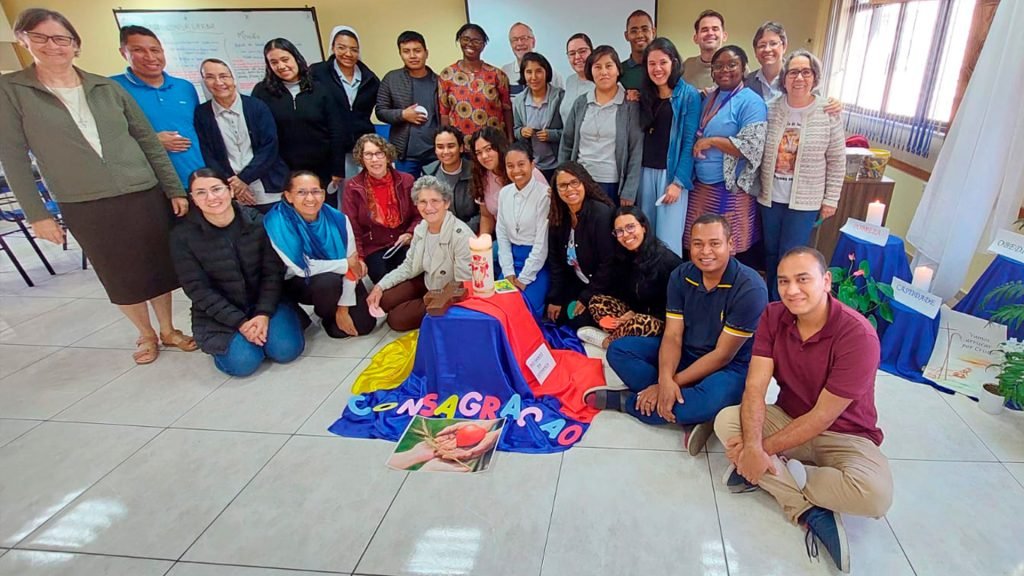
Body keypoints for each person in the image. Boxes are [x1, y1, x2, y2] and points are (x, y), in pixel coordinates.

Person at [0, 8, 196, 365]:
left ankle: (168, 328)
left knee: (156, 266)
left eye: (61, 38)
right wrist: (37, 214)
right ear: (24, 41)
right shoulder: (12, 90)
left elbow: (148, 141)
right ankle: (146, 333)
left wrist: (173, 189)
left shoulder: (106, 87)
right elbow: (13, 157)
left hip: (141, 190)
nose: (53, 46)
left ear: (75, 45)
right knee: (117, 272)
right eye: (41, 37)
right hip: (84, 200)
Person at [714, 247, 892, 573]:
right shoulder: (773, 316)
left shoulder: (858, 335)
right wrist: (753, 446)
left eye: (802, 279)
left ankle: (769, 472)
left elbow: (823, 416)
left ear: (826, 281)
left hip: (846, 434)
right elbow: (755, 387)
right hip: (788, 418)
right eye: (783, 281)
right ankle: (807, 509)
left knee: (875, 495)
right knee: (726, 420)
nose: (792, 290)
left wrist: (757, 451)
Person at [587, 214, 768, 457]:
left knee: (710, 399)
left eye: (714, 243)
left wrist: (666, 385)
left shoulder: (750, 288)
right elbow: (672, 336)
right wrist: (665, 380)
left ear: (730, 244)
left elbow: (722, 355)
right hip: (687, 352)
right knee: (619, 350)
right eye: (697, 244)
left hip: (728, 368)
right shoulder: (681, 275)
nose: (705, 251)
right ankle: (689, 411)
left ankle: (629, 402)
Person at [171, 168, 304, 377]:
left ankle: (267, 329)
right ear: (193, 199)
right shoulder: (182, 237)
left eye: (216, 189)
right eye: (201, 193)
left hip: (264, 303)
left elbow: (272, 273)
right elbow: (197, 290)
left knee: (286, 351)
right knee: (243, 364)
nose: (211, 197)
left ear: (230, 190)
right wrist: (240, 323)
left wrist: (262, 314)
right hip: (220, 314)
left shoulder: (257, 222)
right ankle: (239, 343)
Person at [760, 50, 845, 301]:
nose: (799, 78)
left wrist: (831, 199)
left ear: (815, 78)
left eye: (806, 72)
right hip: (770, 197)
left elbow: (837, 159)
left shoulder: (827, 112)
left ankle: (784, 305)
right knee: (770, 253)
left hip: (805, 202)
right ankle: (771, 303)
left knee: (792, 255)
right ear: (784, 78)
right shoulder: (770, 108)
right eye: (793, 72)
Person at [265, 170, 375, 339]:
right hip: (300, 281)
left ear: (323, 194)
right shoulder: (277, 222)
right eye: (301, 192)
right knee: (327, 282)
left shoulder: (338, 219)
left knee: (365, 325)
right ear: (288, 196)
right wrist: (345, 264)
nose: (310, 198)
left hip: (340, 273)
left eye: (315, 191)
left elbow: (353, 264)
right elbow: (303, 267)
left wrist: (343, 308)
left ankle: (336, 312)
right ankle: (327, 314)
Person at [686, 45, 767, 262]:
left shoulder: (751, 102)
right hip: (701, 187)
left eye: (732, 65)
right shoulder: (710, 97)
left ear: (744, 68)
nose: (725, 70)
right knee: (700, 250)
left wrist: (712, 141)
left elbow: (752, 147)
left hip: (730, 189)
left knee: (726, 251)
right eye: (718, 66)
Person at [367, 175, 474, 331]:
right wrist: (380, 286)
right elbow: (409, 266)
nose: (429, 207)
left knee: (396, 320)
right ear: (416, 204)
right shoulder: (421, 228)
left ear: (446, 203)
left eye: (435, 201)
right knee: (384, 299)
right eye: (423, 201)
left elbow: (463, 284)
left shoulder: (461, 236)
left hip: (447, 292)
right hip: (427, 280)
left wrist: (437, 303)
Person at [251, 38, 346, 208]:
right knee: (293, 214)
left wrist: (337, 169)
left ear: (296, 58)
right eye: (274, 62)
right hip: (283, 171)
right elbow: (259, 134)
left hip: (321, 169)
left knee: (323, 213)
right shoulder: (262, 92)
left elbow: (336, 130)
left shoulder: (320, 89)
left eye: (285, 59)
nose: (281, 66)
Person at [112, 25, 203, 186]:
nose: (150, 57)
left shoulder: (184, 87)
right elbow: (109, 139)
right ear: (123, 52)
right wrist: (152, 141)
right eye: (138, 50)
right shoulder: (112, 88)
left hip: (196, 180)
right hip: (149, 184)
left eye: (155, 50)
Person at [194, 58, 289, 213]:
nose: (218, 82)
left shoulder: (257, 106)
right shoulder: (202, 113)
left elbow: (269, 147)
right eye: (210, 77)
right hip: (231, 189)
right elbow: (208, 154)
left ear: (234, 78)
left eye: (224, 76)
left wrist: (243, 179)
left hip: (267, 186)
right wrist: (233, 184)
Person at [581, 206, 682, 348]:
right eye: (619, 231)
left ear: (643, 227)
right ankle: (620, 335)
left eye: (630, 227)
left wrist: (637, 315)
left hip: (659, 320)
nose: (626, 235)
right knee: (597, 302)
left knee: (642, 323)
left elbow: (675, 306)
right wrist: (628, 314)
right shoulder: (623, 256)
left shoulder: (667, 261)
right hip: (633, 314)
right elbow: (624, 294)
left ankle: (607, 343)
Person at [559, 45, 643, 207]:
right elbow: (566, 143)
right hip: (579, 182)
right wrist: (562, 177)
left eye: (609, 66)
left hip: (612, 184)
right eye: (597, 67)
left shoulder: (630, 105)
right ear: (591, 72)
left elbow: (636, 150)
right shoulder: (581, 103)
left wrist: (629, 190)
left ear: (618, 70)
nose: (603, 72)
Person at [639, 37, 701, 256]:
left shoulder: (689, 95)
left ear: (674, 62)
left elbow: (689, 142)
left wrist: (678, 182)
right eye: (652, 63)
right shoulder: (645, 95)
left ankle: (670, 279)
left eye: (663, 62)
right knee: (644, 237)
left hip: (671, 175)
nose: (657, 69)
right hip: (644, 173)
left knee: (668, 241)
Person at [342, 134, 420, 283]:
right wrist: (359, 258)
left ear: (387, 155)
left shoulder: (407, 180)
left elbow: (419, 215)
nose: (374, 159)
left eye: (379, 153)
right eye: (368, 154)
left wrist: (410, 233)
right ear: (361, 158)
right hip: (373, 248)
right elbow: (352, 228)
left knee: (412, 279)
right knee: (385, 281)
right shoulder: (352, 187)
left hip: (403, 243)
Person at [545, 162, 615, 329]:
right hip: (577, 283)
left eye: (574, 182)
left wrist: (585, 298)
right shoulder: (558, 215)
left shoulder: (601, 214)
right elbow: (555, 261)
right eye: (563, 185)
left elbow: (609, 263)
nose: (569, 189)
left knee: (580, 321)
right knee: (557, 315)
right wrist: (556, 297)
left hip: (604, 287)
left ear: (584, 183)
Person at [309, 26, 380, 178]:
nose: (348, 54)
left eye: (354, 49)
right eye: (342, 48)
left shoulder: (370, 79)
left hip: (361, 148)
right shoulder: (317, 73)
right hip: (329, 149)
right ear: (333, 47)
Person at [496, 141, 551, 317]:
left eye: (521, 164)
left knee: (524, 310)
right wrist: (508, 271)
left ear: (532, 164)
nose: (516, 171)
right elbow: (502, 234)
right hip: (511, 260)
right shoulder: (504, 193)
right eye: (510, 166)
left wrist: (524, 278)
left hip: (536, 264)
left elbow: (541, 244)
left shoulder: (544, 195)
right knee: (499, 307)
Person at [376, 30, 440, 177]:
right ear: (400, 54)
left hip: (435, 153)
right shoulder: (391, 79)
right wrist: (403, 114)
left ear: (426, 53)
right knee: (405, 190)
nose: (412, 56)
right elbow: (380, 111)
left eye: (417, 51)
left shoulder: (439, 81)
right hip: (405, 155)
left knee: (437, 190)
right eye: (406, 51)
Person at [439, 23, 513, 141]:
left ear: (483, 45)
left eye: (476, 41)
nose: (470, 44)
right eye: (465, 39)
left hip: (494, 144)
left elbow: (507, 109)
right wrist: (447, 142)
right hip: (461, 144)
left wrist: (510, 139)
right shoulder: (447, 75)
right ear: (459, 41)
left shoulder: (497, 75)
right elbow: (444, 113)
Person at [512, 52, 564, 181]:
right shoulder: (519, 101)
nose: (534, 77)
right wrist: (522, 132)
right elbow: (516, 130)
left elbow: (569, 132)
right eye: (529, 72)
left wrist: (552, 135)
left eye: (539, 71)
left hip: (558, 165)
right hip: (533, 167)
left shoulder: (560, 97)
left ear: (547, 72)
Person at [422, 126, 479, 233]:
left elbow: (483, 213)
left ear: (461, 148)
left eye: (451, 146)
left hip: (471, 232)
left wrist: (459, 233)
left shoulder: (475, 172)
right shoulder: (428, 174)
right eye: (440, 147)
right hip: (440, 232)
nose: (446, 151)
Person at [501, 22, 564, 97]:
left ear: (533, 42)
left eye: (524, 38)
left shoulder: (552, 75)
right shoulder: (505, 73)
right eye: (515, 40)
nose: (520, 43)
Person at [683, 10, 728, 91]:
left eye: (715, 29)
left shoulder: (737, 65)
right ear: (696, 38)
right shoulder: (686, 66)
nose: (710, 33)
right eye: (704, 30)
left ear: (724, 36)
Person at [745, 21, 787, 101]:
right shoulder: (747, 82)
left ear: (784, 47)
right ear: (755, 52)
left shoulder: (795, 79)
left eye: (773, 44)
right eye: (762, 45)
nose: (767, 49)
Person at [561, 33, 595, 122]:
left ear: (592, 52)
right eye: (572, 53)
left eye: (582, 51)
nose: (577, 57)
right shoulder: (570, 81)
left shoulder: (602, 82)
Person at [620, 10, 655, 91]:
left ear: (653, 33)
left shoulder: (661, 69)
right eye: (634, 31)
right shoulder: (619, 71)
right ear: (626, 36)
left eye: (645, 29)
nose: (639, 35)